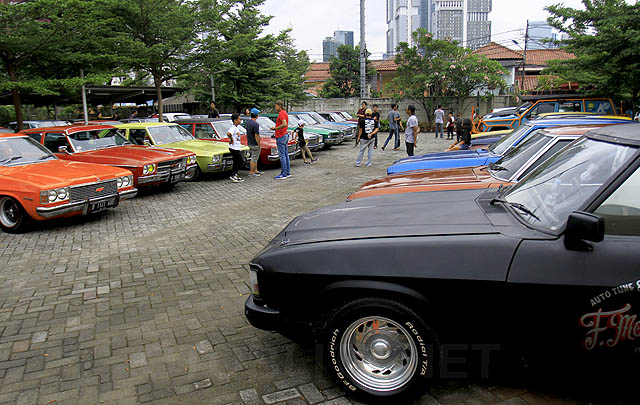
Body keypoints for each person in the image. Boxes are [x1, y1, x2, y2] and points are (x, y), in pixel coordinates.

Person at [270, 101, 290, 179]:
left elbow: (284, 124)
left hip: (281, 135)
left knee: (282, 155)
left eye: (276, 106)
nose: (275, 108)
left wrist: (275, 128)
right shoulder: (285, 113)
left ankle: (284, 173)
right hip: (284, 135)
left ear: (279, 106)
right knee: (285, 154)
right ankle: (287, 172)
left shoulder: (281, 113)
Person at [227, 113, 245, 183]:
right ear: (235, 120)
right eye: (239, 119)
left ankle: (234, 174)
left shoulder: (236, 127)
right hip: (234, 148)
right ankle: (233, 174)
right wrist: (231, 139)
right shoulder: (233, 128)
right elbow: (228, 133)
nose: (240, 120)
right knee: (240, 161)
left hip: (236, 147)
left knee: (236, 161)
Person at [246, 108, 263, 177]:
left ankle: (255, 170)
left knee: (254, 157)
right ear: (256, 115)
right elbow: (257, 135)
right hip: (254, 143)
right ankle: (252, 172)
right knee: (254, 158)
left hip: (249, 142)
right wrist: (259, 143)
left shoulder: (248, 122)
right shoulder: (255, 124)